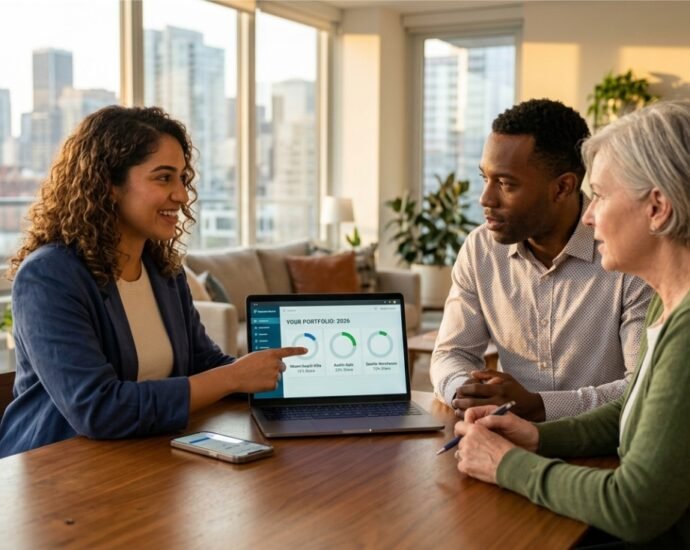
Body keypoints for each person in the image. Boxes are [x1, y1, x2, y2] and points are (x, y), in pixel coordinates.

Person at [0, 106, 305, 458]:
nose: (181, 195)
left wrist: (271, 372)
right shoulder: (49, 277)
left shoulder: (164, 272)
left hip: (144, 457)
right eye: (164, 178)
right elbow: (97, 409)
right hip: (56, 469)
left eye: (182, 179)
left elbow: (202, 363)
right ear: (108, 185)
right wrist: (233, 378)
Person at [453, 100, 690, 547]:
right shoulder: (667, 304)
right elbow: (630, 410)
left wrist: (505, 463)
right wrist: (535, 436)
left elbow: (634, 505)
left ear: (656, 207)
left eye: (599, 195)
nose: (588, 214)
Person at [430, 99, 652, 421]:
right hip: (506, 439)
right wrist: (467, 392)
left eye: (505, 184)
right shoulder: (481, 249)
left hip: (604, 448)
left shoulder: (627, 254)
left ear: (562, 187)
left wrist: (540, 405)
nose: (486, 199)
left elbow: (642, 387)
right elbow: (452, 353)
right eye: (485, 178)